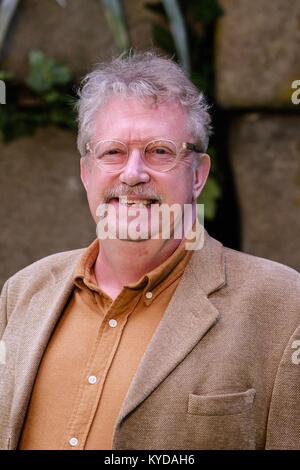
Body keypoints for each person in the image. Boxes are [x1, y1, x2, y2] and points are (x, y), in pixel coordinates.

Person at [0, 51, 300, 451]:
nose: (133, 174)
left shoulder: (283, 307)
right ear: (86, 173)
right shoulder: (23, 292)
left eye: (160, 151)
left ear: (198, 175)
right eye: (113, 152)